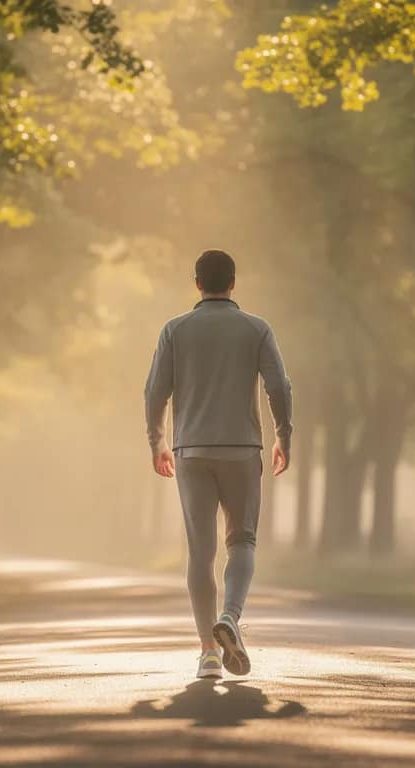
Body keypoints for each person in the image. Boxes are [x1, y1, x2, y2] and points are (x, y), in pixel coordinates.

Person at [143, 249, 293, 679]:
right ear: (233, 283)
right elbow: (279, 386)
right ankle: (230, 616)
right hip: (242, 448)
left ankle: (208, 653)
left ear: (197, 284)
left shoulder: (175, 330)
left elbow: (155, 392)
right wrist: (284, 435)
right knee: (242, 540)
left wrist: (157, 441)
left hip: (191, 450)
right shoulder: (256, 328)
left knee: (201, 551)